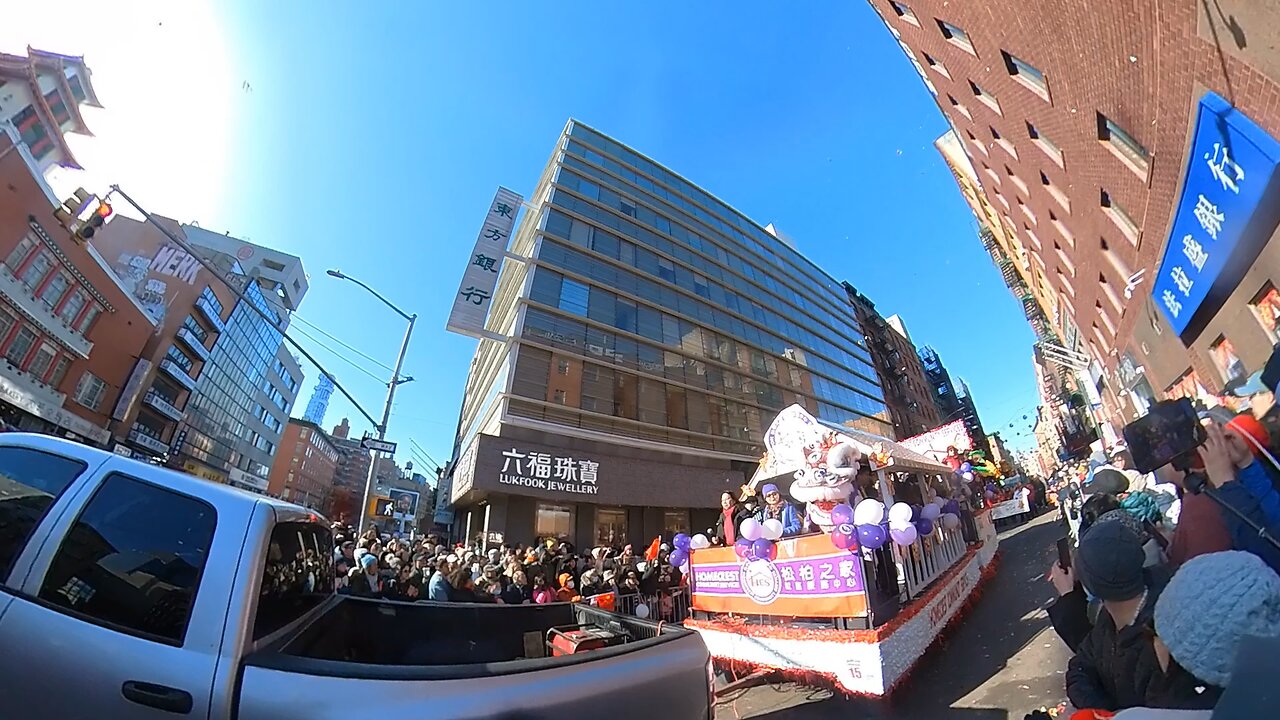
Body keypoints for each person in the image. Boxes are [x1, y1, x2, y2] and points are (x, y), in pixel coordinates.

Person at [1056, 520, 1171, 711]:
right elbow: (1080, 666)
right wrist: (1103, 710)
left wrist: (1107, 714)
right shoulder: (1108, 617)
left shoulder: (1161, 640)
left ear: (1090, 584)